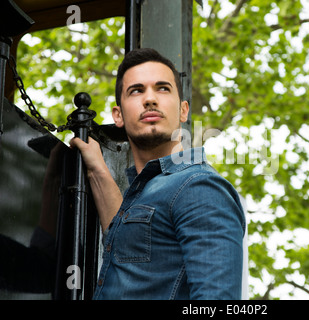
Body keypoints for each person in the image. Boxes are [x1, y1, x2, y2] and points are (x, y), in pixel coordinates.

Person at [70, 48, 245, 300]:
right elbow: (127, 245)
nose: (150, 99)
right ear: (117, 115)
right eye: (137, 90)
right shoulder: (147, 191)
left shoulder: (199, 186)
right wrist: (97, 169)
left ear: (183, 110)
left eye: (162, 88)